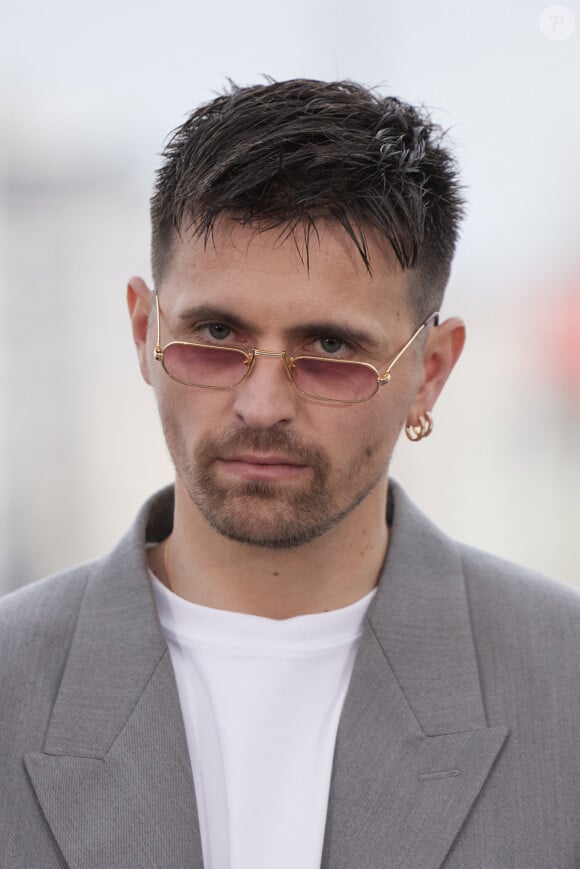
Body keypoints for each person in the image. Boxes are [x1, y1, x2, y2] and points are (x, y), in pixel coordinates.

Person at [1, 78, 578, 869]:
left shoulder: (565, 686)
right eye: (214, 332)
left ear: (431, 371)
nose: (261, 402)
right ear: (144, 331)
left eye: (332, 348)